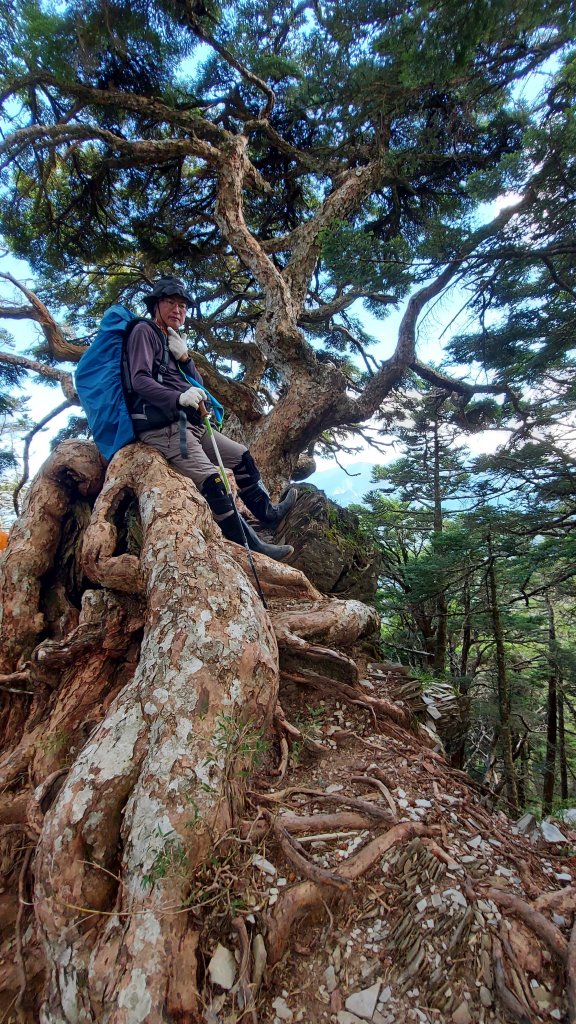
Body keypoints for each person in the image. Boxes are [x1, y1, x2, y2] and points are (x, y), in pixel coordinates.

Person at [125, 276, 297, 560]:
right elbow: (139, 380)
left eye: (182, 305)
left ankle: (268, 514)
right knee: (214, 481)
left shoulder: (169, 338)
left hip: (189, 424)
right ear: (156, 304)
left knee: (242, 456)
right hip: (165, 428)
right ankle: (250, 547)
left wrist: (185, 359)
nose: (177, 310)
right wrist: (177, 398)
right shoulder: (143, 331)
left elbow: (198, 382)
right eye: (170, 303)